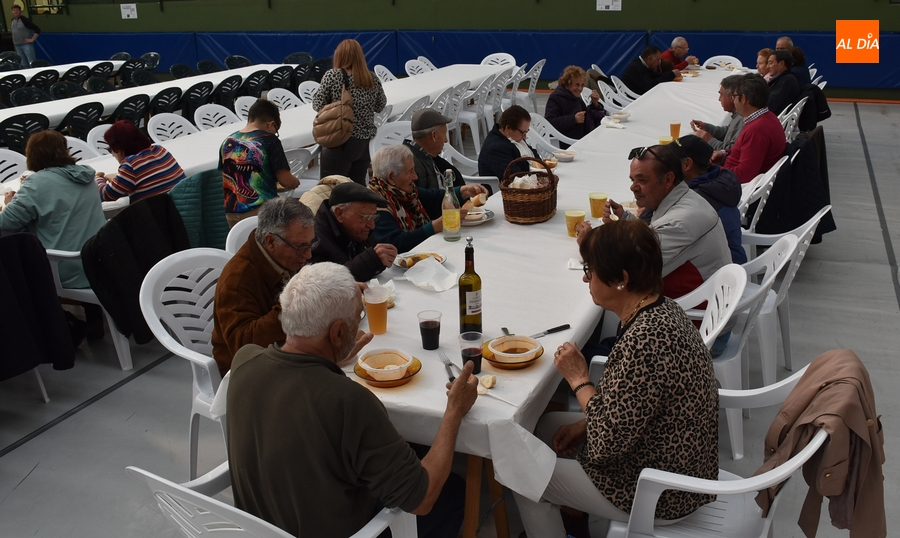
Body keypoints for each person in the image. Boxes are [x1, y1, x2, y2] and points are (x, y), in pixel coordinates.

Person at [227, 262, 478, 538]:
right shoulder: (349, 400)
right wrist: (454, 411)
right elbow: (422, 499)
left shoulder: (244, 361)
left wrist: (334, 358)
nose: (360, 324)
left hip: (259, 528)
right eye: (358, 318)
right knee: (452, 491)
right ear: (337, 333)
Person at [512, 220, 718, 537]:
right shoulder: (662, 309)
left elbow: (607, 443)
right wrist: (584, 423)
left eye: (590, 270)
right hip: (677, 459)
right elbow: (633, 404)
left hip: (662, 490)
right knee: (544, 428)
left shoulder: (644, 341)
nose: (585, 277)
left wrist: (579, 379)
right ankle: (574, 522)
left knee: (522, 473)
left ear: (621, 280)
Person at [210, 197, 372, 376]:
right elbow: (243, 346)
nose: (308, 254)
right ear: (270, 241)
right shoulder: (237, 280)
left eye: (312, 243)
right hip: (249, 373)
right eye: (300, 247)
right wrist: (300, 302)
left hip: (290, 351)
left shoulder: (283, 257)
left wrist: (332, 289)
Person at [580, 144, 730, 299]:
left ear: (668, 179)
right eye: (632, 180)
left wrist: (589, 244)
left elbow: (627, 272)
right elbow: (652, 238)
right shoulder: (685, 198)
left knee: (607, 292)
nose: (633, 187)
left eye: (642, 180)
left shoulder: (679, 223)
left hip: (696, 315)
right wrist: (624, 220)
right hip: (708, 298)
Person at [0, 130, 107, 343]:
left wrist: (10, 201)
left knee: (17, 270)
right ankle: (93, 319)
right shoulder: (85, 175)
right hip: (100, 259)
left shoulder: (36, 184)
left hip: (65, 268)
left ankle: (66, 326)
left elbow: (7, 223)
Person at [370, 145, 487, 252]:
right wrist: (434, 227)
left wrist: (464, 191)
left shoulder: (404, 192)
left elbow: (434, 199)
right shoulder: (376, 205)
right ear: (391, 177)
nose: (415, 176)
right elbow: (395, 243)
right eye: (410, 172)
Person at [313, 38, 387, 185]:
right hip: (364, 144)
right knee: (357, 189)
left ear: (339, 56)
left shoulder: (333, 76)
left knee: (331, 189)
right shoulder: (371, 78)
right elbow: (380, 105)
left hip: (340, 140)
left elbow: (317, 104)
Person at [219, 99, 299, 228]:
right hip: (262, 210)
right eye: (276, 130)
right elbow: (286, 180)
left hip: (232, 212)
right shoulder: (270, 140)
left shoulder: (227, 141)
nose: (275, 134)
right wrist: (295, 182)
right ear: (271, 124)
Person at [672, 135, 746, 264]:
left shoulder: (696, 198)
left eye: (670, 160)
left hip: (720, 273)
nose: (665, 165)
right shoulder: (717, 183)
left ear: (687, 165)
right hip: (732, 262)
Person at [310, 182, 398, 281]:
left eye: (373, 217)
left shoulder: (359, 230)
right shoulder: (314, 238)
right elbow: (323, 284)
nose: (372, 225)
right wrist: (372, 260)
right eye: (366, 217)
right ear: (340, 213)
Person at [714, 75, 786, 184]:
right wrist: (724, 153)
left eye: (733, 96)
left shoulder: (756, 131)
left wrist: (712, 170)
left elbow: (744, 175)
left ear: (743, 99)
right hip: (731, 175)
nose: (733, 101)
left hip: (733, 186)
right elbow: (746, 154)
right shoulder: (767, 116)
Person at [96, 120, 186, 203]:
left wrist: (98, 179)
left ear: (118, 149)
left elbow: (106, 195)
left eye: (110, 149)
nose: (112, 154)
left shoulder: (130, 165)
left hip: (158, 216)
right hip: (182, 207)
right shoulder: (161, 150)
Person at [403, 108, 466, 191]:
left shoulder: (428, 157)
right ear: (434, 136)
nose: (446, 140)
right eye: (444, 134)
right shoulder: (414, 166)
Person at [544, 66, 605, 147]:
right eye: (577, 85)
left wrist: (595, 104)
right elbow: (549, 122)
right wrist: (573, 119)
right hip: (566, 143)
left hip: (581, 139)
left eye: (582, 85)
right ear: (567, 84)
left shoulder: (575, 98)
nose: (580, 88)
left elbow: (587, 118)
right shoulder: (556, 98)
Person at [478, 105, 539, 180]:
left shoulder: (513, 137)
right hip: (503, 189)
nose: (524, 137)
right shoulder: (496, 148)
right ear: (508, 129)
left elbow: (534, 155)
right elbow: (515, 177)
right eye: (523, 133)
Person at [689, 74, 744, 151]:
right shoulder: (738, 115)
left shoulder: (743, 119)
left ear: (732, 97)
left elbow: (731, 152)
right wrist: (707, 128)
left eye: (721, 94)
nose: (719, 99)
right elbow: (728, 131)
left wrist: (709, 140)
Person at [766, 50, 800, 116]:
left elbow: (769, 105)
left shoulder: (786, 81)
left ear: (781, 64)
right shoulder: (785, 79)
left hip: (774, 119)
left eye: (770, 63)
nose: (767, 67)